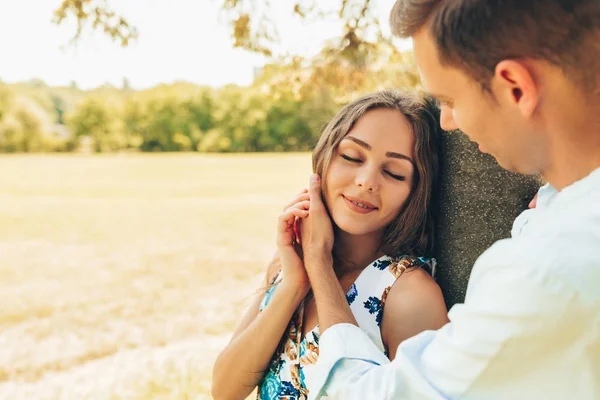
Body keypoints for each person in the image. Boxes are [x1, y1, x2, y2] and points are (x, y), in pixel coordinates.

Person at [300, 1, 600, 399]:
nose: (447, 122)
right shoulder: (561, 217)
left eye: (449, 100)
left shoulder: (548, 268)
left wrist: (317, 262)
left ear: (515, 87)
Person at [211, 90, 449, 400]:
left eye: (393, 172)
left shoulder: (408, 295)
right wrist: (295, 283)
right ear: (324, 157)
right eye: (352, 157)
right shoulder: (287, 264)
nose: (366, 181)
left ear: (414, 193)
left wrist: (318, 262)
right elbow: (225, 390)